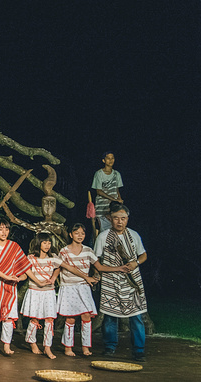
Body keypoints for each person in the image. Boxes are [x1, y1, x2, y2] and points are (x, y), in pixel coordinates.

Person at [58, 223, 130, 357]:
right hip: (69, 287)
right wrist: (87, 277)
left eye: (82, 233)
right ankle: (68, 347)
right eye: (77, 233)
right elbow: (66, 268)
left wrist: (117, 269)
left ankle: (85, 347)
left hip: (83, 287)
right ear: (70, 234)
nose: (80, 236)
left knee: (86, 316)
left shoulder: (88, 251)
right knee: (71, 319)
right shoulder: (64, 251)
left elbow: (100, 267)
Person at [94, 203, 148, 362]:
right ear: (110, 218)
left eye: (123, 218)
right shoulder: (103, 237)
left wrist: (135, 263)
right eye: (116, 218)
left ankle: (139, 350)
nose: (120, 221)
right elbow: (95, 259)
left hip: (132, 280)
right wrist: (106, 270)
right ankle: (110, 347)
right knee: (110, 316)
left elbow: (143, 255)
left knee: (136, 316)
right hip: (111, 280)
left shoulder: (134, 235)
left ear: (127, 219)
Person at [0, 219, 30, 355]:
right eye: (0, 229)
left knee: (8, 317)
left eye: (6, 229)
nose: (4, 232)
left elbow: (24, 271)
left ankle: (7, 345)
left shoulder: (14, 247)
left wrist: (19, 278)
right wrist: (5, 275)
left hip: (9, 286)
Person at [21, 232, 62, 359]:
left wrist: (54, 278)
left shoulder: (53, 257)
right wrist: (37, 281)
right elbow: (26, 270)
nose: (47, 245)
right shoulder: (31, 258)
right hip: (35, 290)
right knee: (35, 319)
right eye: (45, 242)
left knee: (49, 319)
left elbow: (59, 267)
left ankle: (47, 347)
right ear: (39, 243)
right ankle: (32, 342)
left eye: (49, 243)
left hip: (49, 291)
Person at [92, 152, 124, 232]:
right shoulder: (99, 174)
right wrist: (113, 199)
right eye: (108, 158)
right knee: (100, 229)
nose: (111, 160)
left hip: (113, 207)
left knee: (114, 228)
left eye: (112, 158)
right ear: (103, 160)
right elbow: (99, 191)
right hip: (102, 206)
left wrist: (119, 200)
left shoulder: (117, 174)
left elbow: (116, 189)